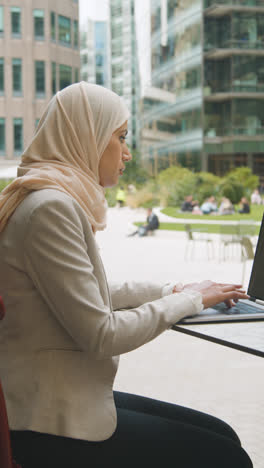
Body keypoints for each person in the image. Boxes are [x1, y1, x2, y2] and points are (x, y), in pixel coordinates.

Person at [0, 82, 252, 468]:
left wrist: (174, 288)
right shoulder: (50, 208)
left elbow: (91, 291)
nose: (128, 152)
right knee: (227, 456)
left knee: (224, 436)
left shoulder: (46, 196)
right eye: (119, 137)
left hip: (57, 398)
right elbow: (103, 334)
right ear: (87, 136)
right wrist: (191, 301)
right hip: (48, 420)